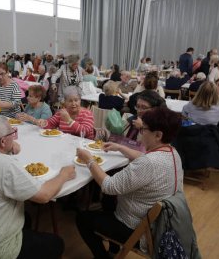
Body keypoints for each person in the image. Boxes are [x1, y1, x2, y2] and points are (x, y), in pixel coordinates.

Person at [0, 116, 75, 259]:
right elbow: (44, 195)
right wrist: (64, 175)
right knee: (57, 243)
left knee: (26, 218)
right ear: (2, 141)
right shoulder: (5, 166)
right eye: (12, 133)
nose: (14, 136)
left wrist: (7, 150)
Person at [76, 107, 183, 259]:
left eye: (143, 130)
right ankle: (113, 248)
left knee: (82, 218)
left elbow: (108, 186)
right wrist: (120, 147)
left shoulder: (148, 163)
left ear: (158, 135)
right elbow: (144, 157)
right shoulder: (172, 153)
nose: (141, 133)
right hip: (161, 224)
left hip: (138, 230)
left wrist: (89, 160)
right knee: (108, 202)